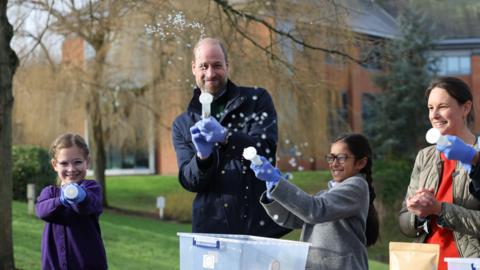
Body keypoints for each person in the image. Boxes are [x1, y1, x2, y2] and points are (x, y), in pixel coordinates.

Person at [172, 37, 291, 238]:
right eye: (203, 66)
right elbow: (190, 182)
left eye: (217, 65)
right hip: (211, 230)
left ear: (227, 65)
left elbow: (266, 151)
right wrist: (202, 159)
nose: (210, 73)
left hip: (258, 227)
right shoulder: (182, 123)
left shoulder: (256, 100)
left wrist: (226, 137)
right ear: (193, 68)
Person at [250, 133, 380, 270]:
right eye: (331, 157)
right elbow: (292, 219)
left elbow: (315, 211)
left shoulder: (357, 186)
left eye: (342, 158)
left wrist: (279, 184)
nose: (334, 163)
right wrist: (273, 195)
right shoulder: (325, 194)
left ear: (361, 162)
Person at [399, 76, 480, 269]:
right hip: (425, 264)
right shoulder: (424, 157)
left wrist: (440, 210)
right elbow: (404, 222)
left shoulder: (476, 153)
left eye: (442, 107)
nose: (434, 115)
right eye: (430, 108)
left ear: (465, 108)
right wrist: (419, 213)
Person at [36, 133, 108, 270]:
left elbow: (86, 207)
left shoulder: (92, 188)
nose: (71, 169)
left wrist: (81, 196)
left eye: (77, 162)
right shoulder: (50, 192)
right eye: (64, 163)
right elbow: (42, 212)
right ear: (55, 165)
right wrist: (62, 200)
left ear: (87, 162)